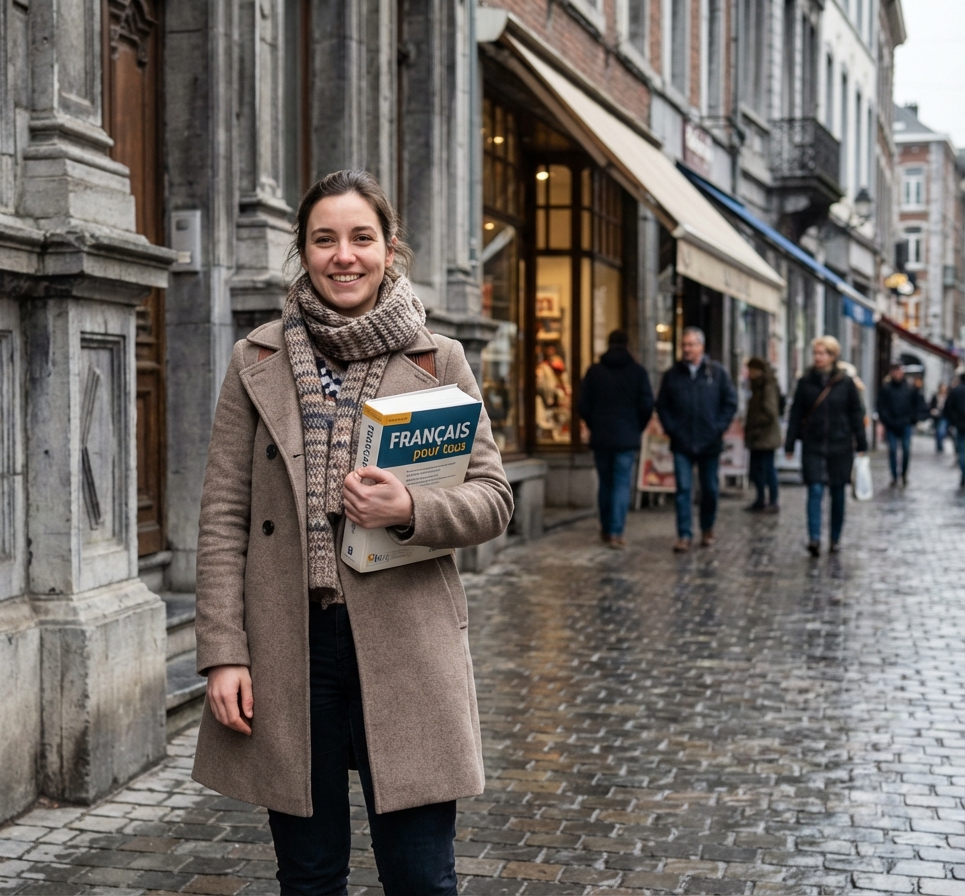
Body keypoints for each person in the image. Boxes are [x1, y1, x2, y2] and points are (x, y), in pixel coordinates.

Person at [192, 169, 514, 896]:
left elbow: (495, 500)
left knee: (421, 878)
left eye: (361, 238)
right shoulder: (256, 359)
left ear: (388, 248)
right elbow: (222, 518)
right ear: (302, 251)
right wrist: (222, 652)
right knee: (308, 877)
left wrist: (410, 508)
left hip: (406, 646)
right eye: (325, 239)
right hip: (290, 647)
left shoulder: (438, 359)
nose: (345, 256)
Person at [655, 326, 737, 552]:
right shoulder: (673, 374)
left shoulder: (716, 373)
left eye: (691, 345)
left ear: (701, 347)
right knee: (683, 489)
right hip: (682, 441)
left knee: (709, 488)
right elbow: (662, 405)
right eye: (684, 345)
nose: (687, 349)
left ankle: (707, 527)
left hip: (709, 441)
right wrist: (671, 428)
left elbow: (730, 402)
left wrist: (718, 427)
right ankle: (684, 534)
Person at [785, 336, 867, 557]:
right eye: (816, 353)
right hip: (813, 443)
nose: (818, 357)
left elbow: (856, 414)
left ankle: (835, 538)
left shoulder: (846, 383)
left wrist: (861, 443)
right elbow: (796, 414)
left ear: (832, 356)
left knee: (838, 492)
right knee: (815, 489)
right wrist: (790, 443)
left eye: (823, 353)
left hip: (840, 445)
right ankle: (814, 537)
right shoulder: (805, 382)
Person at [578, 329, 654, 548]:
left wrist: (595, 424)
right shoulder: (638, 372)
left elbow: (583, 405)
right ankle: (616, 532)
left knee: (605, 483)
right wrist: (635, 427)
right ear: (627, 346)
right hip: (627, 437)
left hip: (601, 436)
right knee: (621, 484)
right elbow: (647, 404)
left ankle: (605, 527)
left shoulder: (595, 371)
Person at [743, 357, 782, 513]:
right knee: (757, 469)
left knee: (767, 468)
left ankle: (772, 500)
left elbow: (770, 412)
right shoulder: (757, 386)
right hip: (758, 436)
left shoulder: (766, 386)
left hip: (765, 436)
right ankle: (760, 499)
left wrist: (756, 425)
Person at [876, 362, 920, 486]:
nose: (897, 373)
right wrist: (886, 420)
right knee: (893, 450)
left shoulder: (909, 388)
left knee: (906, 450)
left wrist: (912, 419)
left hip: (905, 423)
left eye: (899, 370)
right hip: (891, 424)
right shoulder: (886, 388)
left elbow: (916, 405)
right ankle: (894, 476)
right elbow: (881, 406)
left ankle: (904, 474)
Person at [944, 369, 965, 488]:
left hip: (960, 425)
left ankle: (964, 476)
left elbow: (948, 408)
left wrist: (953, 421)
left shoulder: (956, 391)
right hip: (960, 424)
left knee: (962, 452)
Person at [930, 382, 950, 453]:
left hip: (944, 415)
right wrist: (933, 410)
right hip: (936, 416)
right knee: (938, 431)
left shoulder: (948, 396)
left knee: (941, 431)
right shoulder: (935, 395)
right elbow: (932, 405)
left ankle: (940, 445)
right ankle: (939, 446)